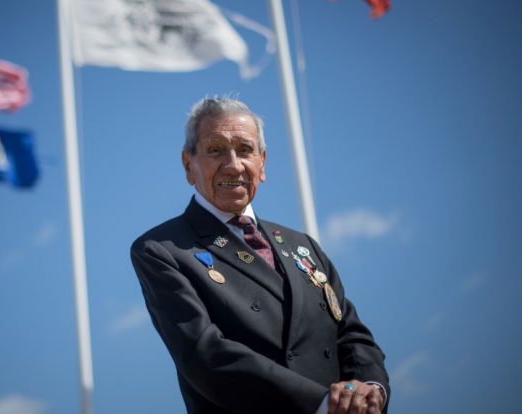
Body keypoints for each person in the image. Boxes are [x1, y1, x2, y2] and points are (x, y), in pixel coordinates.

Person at [131, 97, 390, 414]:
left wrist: (369, 389)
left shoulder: (302, 245)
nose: (233, 165)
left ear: (262, 163)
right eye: (216, 150)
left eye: (245, 150)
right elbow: (205, 356)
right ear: (188, 165)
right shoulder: (163, 249)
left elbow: (351, 335)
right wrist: (322, 404)